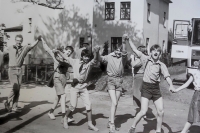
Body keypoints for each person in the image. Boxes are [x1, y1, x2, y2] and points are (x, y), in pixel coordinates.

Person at [127, 37, 175, 133]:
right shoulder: (145, 59)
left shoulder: (162, 65)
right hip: (146, 88)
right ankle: (133, 127)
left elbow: (167, 76)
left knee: (161, 111)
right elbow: (135, 50)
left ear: (160, 54)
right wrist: (129, 40)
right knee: (143, 111)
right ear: (151, 52)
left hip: (156, 89)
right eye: (154, 50)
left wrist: (171, 85)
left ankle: (158, 130)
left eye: (158, 51)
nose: (155, 52)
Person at [56, 46, 100, 131]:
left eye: (88, 57)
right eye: (85, 56)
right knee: (73, 105)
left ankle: (90, 124)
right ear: (82, 56)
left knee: (88, 104)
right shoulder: (75, 62)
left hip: (83, 87)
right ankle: (65, 118)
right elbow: (66, 57)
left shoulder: (89, 64)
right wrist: (58, 51)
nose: (87, 58)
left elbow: (95, 60)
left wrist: (97, 52)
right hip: (75, 87)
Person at [98, 34, 128, 133]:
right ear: (114, 50)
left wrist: (124, 41)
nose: (118, 52)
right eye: (116, 50)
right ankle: (112, 125)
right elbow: (100, 58)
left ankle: (110, 120)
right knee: (114, 102)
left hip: (119, 81)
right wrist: (96, 52)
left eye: (119, 50)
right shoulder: (109, 57)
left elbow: (124, 52)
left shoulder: (122, 59)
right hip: (111, 80)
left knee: (115, 104)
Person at [41, 38, 74, 128]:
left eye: (70, 52)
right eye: (67, 50)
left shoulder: (68, 59)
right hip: (57, 77)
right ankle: (64, 117)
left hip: (64, 78)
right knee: (63, 96)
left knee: (58, 97)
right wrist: (43, 40)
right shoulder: (57, 55)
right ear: (64, 50)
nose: (68, 52)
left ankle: (51, 112)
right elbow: (47, 49)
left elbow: (72, 69)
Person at [4, 34, 41, 112]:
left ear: (22, 41)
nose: (19, 42)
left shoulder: (25, 48)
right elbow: (3, 54)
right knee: (15, 87)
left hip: (20, 70)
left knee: (18, 89)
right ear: (15, 40)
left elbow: (32, 45)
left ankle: (14, 106)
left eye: (20, 41)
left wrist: (38, 40)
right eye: (17, 40)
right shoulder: (10, 48)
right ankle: (7, 102)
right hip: (12, 70)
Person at [173, 63, 200, 133]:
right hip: (198, 95)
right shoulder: (195, 73)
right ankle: (183, 131)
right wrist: (176, 90)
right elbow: (186, 84)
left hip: (197, 96)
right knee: (192, 115)